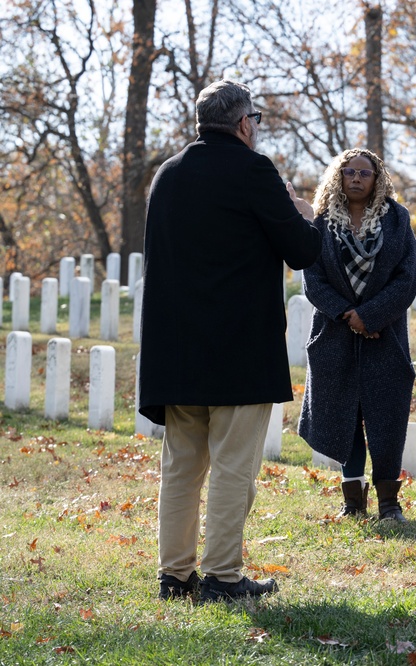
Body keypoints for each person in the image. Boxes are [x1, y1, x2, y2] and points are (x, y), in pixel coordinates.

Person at [140, 80, 321, 602]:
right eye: (256, 120)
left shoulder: (167, 175)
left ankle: (173, 576)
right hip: (238, 347)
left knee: (180, 467)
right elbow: (302, 250)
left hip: (175, 349)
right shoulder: (253, 170)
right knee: (232, 467)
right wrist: (307, 215)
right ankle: (222, 577)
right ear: (244, 124)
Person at [297, 148, 416, 522]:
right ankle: (352, 501)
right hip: (335, 335)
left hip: (385, 336)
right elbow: (312, 279)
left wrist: (370, 316)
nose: (355, 178)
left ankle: (388, 503)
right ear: (338, 177)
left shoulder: (397, 221)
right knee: (343, 417)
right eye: (348, 171)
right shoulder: (321, 223)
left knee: (387, 419)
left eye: (364, 173)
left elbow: (407, 279)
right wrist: (348, 316)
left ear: (377, 179)